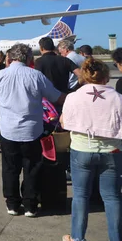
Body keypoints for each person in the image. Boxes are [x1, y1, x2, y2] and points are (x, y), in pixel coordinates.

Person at [0, 43, 65, 217]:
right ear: (30, 59)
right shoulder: (36, 76)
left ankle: (12, 204)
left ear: (10, 58)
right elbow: (56, 97)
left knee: (10, 168)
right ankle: (30, 205)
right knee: (32, 168)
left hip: (8, 130)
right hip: (31, 131)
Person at [61, 58, 122, 241]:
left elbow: (64, 123)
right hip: (112, 150)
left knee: (80, 195)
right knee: (112, 197)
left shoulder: (73, 97)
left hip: (81, 149)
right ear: (106, 76)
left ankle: (78, 237)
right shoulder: (118, 98)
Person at [35, 37, 81, 104]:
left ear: (41, 48)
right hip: (64, 98)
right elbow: (82, 75)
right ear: (53, 47)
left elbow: (36, 81)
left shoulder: (39, 62)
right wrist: (75, 88)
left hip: (48, 101)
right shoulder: (65, 60)